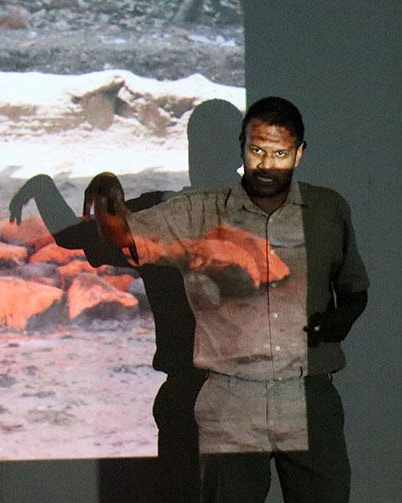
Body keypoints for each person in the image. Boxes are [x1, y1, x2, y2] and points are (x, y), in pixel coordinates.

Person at [82, 96, 369, 502]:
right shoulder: (198, 211)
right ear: (242, 147)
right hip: (232, 398)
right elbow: (120, 233)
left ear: (300, 154)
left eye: (280, 154)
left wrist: (342, 319)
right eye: (257, 151)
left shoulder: (327, 209)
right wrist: (107, 191)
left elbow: (355, 288)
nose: (267, 166)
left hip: (309, 395)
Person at [10, 99, 243, 502]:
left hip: (185, 396)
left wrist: (41, 185)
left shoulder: (156, 213)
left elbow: (71, 234)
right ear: (239, 155)